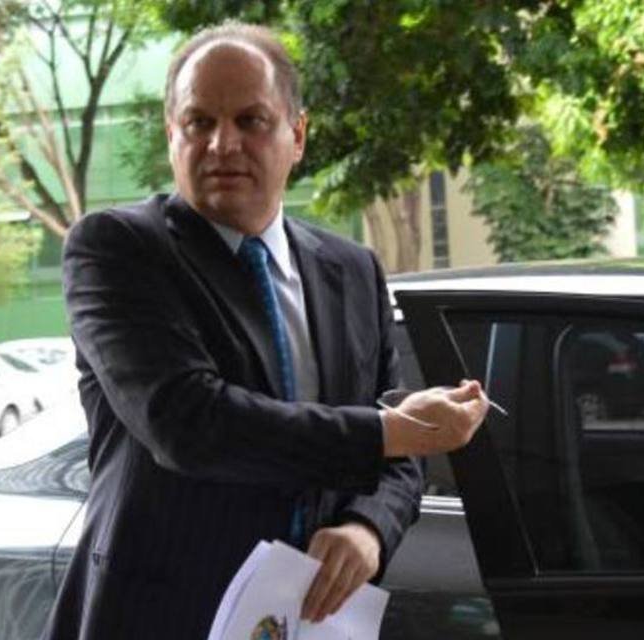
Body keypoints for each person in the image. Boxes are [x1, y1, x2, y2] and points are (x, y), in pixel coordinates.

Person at [44, 22, 488, 640]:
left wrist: (368, 529)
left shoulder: (352, 270)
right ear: (172, 135)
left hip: (310, 618)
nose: (223, 144)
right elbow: (189, 423)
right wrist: (390, 432)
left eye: (250, 120)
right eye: (199, 122)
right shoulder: (118, 249)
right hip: (163, 615)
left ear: (297, 135)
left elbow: (396, 456)